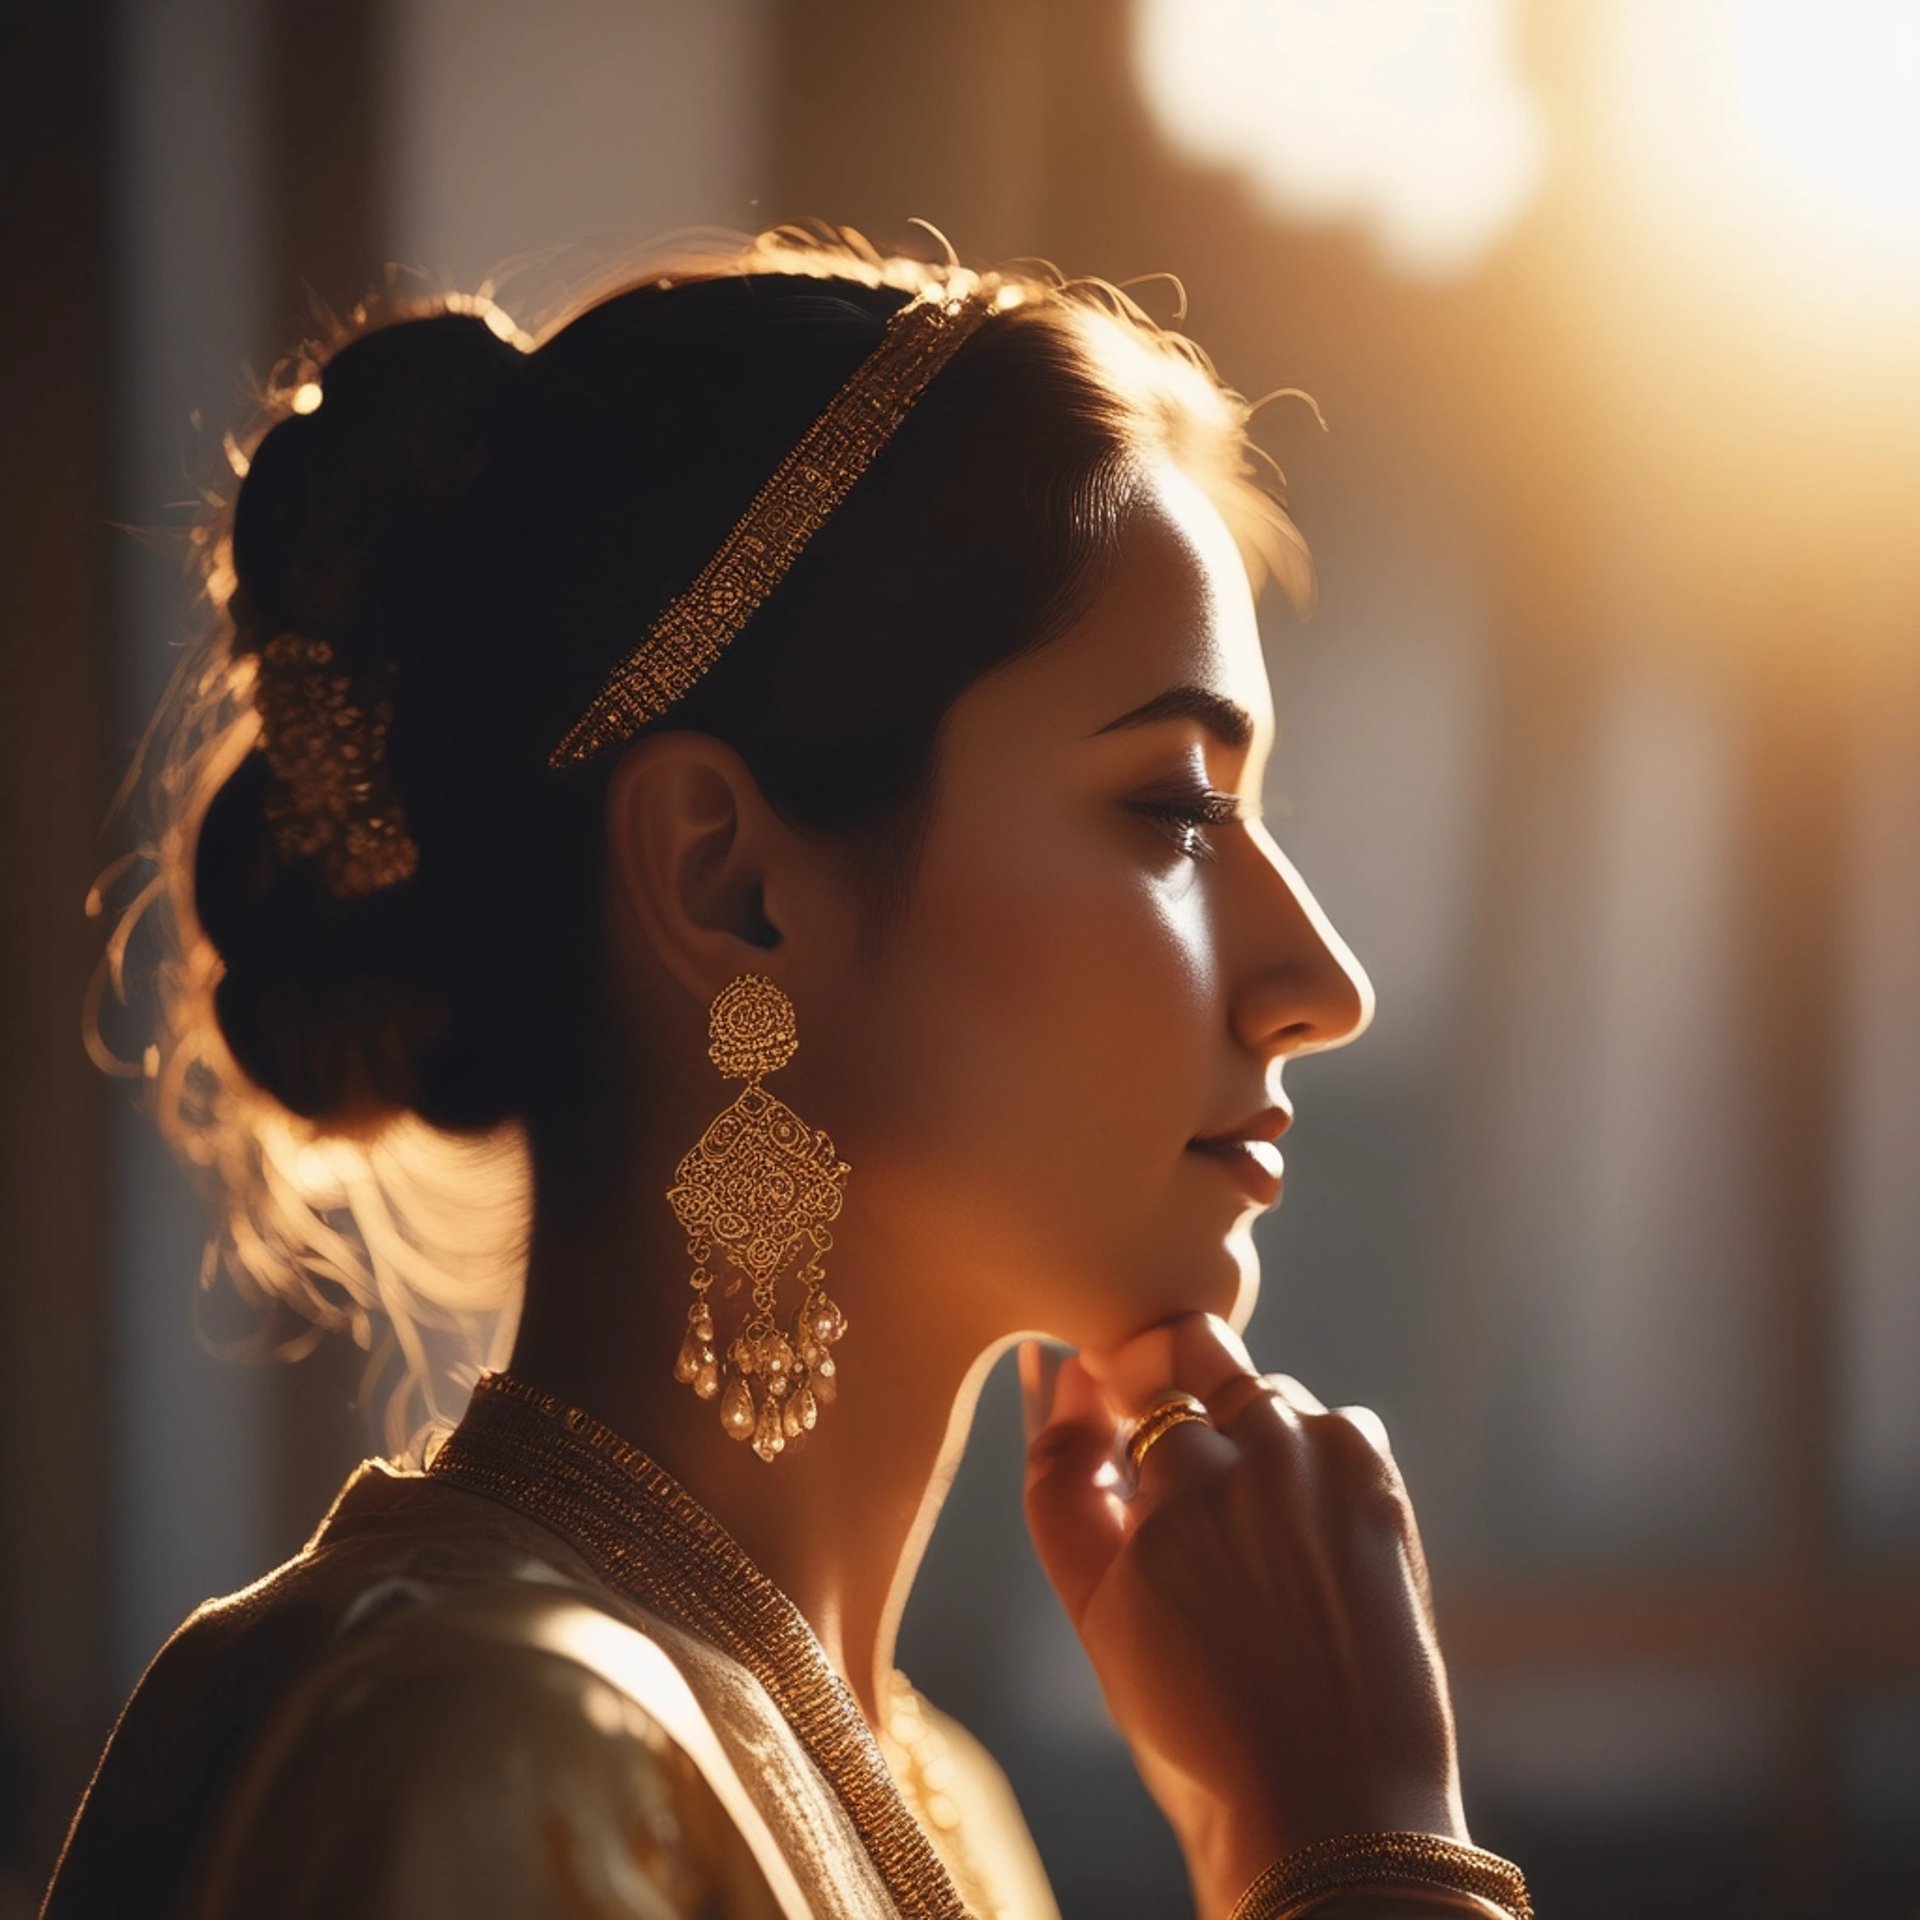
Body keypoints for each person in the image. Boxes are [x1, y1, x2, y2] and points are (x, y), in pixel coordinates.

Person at [43, 225, 1530, 1920]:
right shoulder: (485, 1738)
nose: (1324, 986)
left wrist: (1264, 1848)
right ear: (728, 880)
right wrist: (1369, 1850)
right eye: (1173, 810)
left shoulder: (940, 1800)